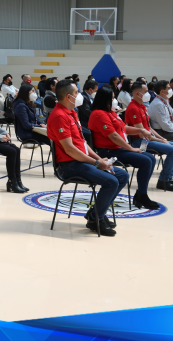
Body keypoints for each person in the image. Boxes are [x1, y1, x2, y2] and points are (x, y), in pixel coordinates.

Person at [47, 80, 128, 237]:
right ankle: (96, 219)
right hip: (69, 165)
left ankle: (95, 213)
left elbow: (82, 143)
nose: (79, 95)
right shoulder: (59, 116)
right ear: (68, 97)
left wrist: (100, 160)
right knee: (111, 182)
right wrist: (97, 163)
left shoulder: (72, 112)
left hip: (81, 161)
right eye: (76, 93)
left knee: (122, 175)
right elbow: (70, 149)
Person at [88, 85, 158, 210]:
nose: (114, 100)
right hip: (108, 151)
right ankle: (142, 195)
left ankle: (141, 193)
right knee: (146, 161)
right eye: (112, 98)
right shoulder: (99, 114)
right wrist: (130, 148)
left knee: (151, 158)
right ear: (105, 99)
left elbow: (124, 128)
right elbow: (113, 136)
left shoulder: (111, 112)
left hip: (119, 149)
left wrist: (141, 130)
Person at [125, 81, 173, 192]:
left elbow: (149, 128)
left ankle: (169, 178)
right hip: (140, 142)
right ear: (138, 94)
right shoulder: (133, 108)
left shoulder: (142, 106)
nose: (149, 93)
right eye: (146, 91)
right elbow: (142, 133)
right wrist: (161, 141)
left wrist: (162, 139)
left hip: (148, 138)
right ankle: (163, 181)